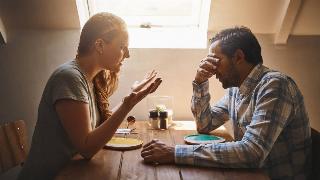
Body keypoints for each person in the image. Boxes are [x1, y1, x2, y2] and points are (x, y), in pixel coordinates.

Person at [141, 26, 312, 180]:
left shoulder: (275, 85)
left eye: (215, 60)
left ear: (238, 57)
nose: (212, 69)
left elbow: (252, 153)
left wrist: (174, 153)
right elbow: (205, 125)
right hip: (248, 174)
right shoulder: (236, 89)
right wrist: (200, 83)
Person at [18, 12, 162, 180]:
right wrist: (127, 105)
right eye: (122, 47)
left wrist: (131, 96)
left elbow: (98, 130)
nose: (127, 54)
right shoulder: (69, 78)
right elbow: (87, 148)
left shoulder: (90, 79)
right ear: (99, 45)